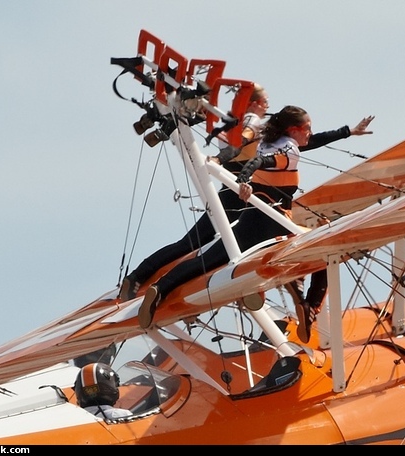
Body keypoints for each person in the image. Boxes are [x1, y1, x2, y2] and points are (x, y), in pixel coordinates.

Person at [119, 83, 374, 302]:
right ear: (255, 103)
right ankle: (139, 278)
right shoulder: (252, 124)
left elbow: (307, 142)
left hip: (245, 193)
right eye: (264, 101)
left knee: (213, 244)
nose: (267, 105)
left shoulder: (271, 134)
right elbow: (241, 143)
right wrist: (221, 160)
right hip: (238, 192)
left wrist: (348, 132)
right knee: (197, 244)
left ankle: (287, 282)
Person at [138, 105, 321, 330]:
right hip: (276, 224)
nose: (310, 133)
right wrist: (244, 179)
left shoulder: (266, 144)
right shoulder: (290, 150)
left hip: (251, 219)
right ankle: (308, 306)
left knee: (206, 261)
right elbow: (261, 163)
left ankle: (161, 287)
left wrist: (348, 132)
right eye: (307, 128)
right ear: (293, 130)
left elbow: (260, 160)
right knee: (322, 252)